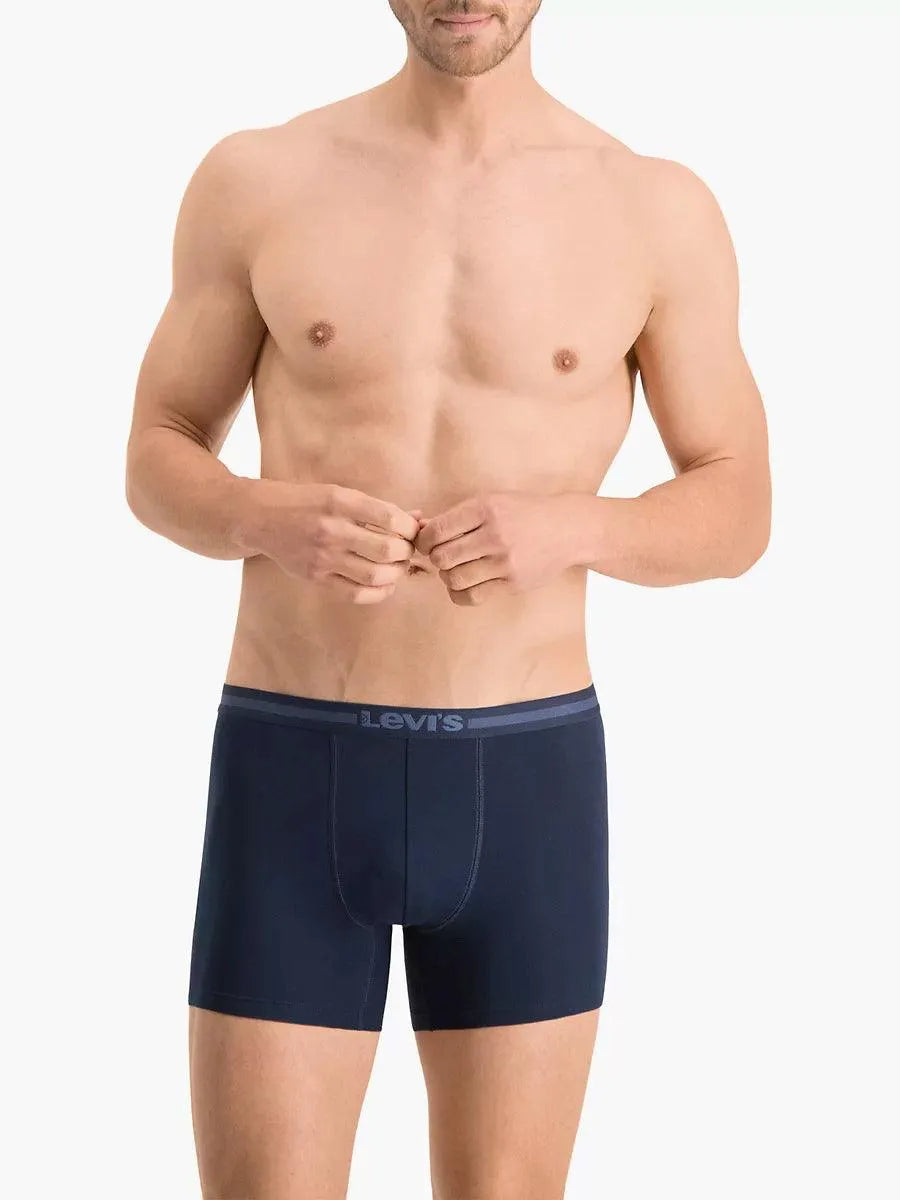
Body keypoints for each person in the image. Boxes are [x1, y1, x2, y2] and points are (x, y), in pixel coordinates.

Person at [125, 2, 771, 1196]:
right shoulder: (259, 178)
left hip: (526, 778)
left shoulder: (653, 208)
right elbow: (157, 452)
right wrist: (265, 517)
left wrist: (574, 529)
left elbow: (738, 507)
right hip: (291, 766)